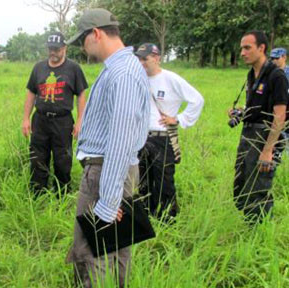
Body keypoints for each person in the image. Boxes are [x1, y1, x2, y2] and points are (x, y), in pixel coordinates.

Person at [65, 8, 150, 288]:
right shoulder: (119, 67)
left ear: (96, 34)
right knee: (115, 244)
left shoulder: (122, 72)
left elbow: (121, 138)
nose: (82, 47)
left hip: (107, 171)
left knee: (95, 249)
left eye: (83, 40)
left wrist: (110, 198)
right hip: (111, 169)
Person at [135, 43, 204, 221]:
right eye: (139, 58)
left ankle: (168, 221)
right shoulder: (137, 79)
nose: (142, 62)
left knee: (164, 182)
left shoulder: (170, 79)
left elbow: (197, 100)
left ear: (157, 58)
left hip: (161, 138)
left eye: (146, 58)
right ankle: (146, 220)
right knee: (143, 182)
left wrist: (178, 119)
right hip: (140, 138)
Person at [231, 31, 289, 223]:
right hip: (248, 133)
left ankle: (258, 230)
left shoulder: (276, 75)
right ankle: (249, 224)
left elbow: (280, 116)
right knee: (242, 181)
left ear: (261, 48)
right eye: (241, 48)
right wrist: (241, 112)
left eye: (247, 47)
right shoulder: (252, 74)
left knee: (259, 187)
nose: (242, 53)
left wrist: (268, 150)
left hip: (265, 136)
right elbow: (256, 106)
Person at [22, 31, 88, 196]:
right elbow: (31, 93)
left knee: (62, 159)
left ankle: (62, 194)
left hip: (63, 121)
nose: (53, 52)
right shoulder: (38, 67)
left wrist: (80, 120)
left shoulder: (73, 69)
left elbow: (81, 95)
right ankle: (38, 194)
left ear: (64, 48)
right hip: (40, 120)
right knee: (37, 158)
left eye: (57, 49)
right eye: (50, 48)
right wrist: (25, 118)